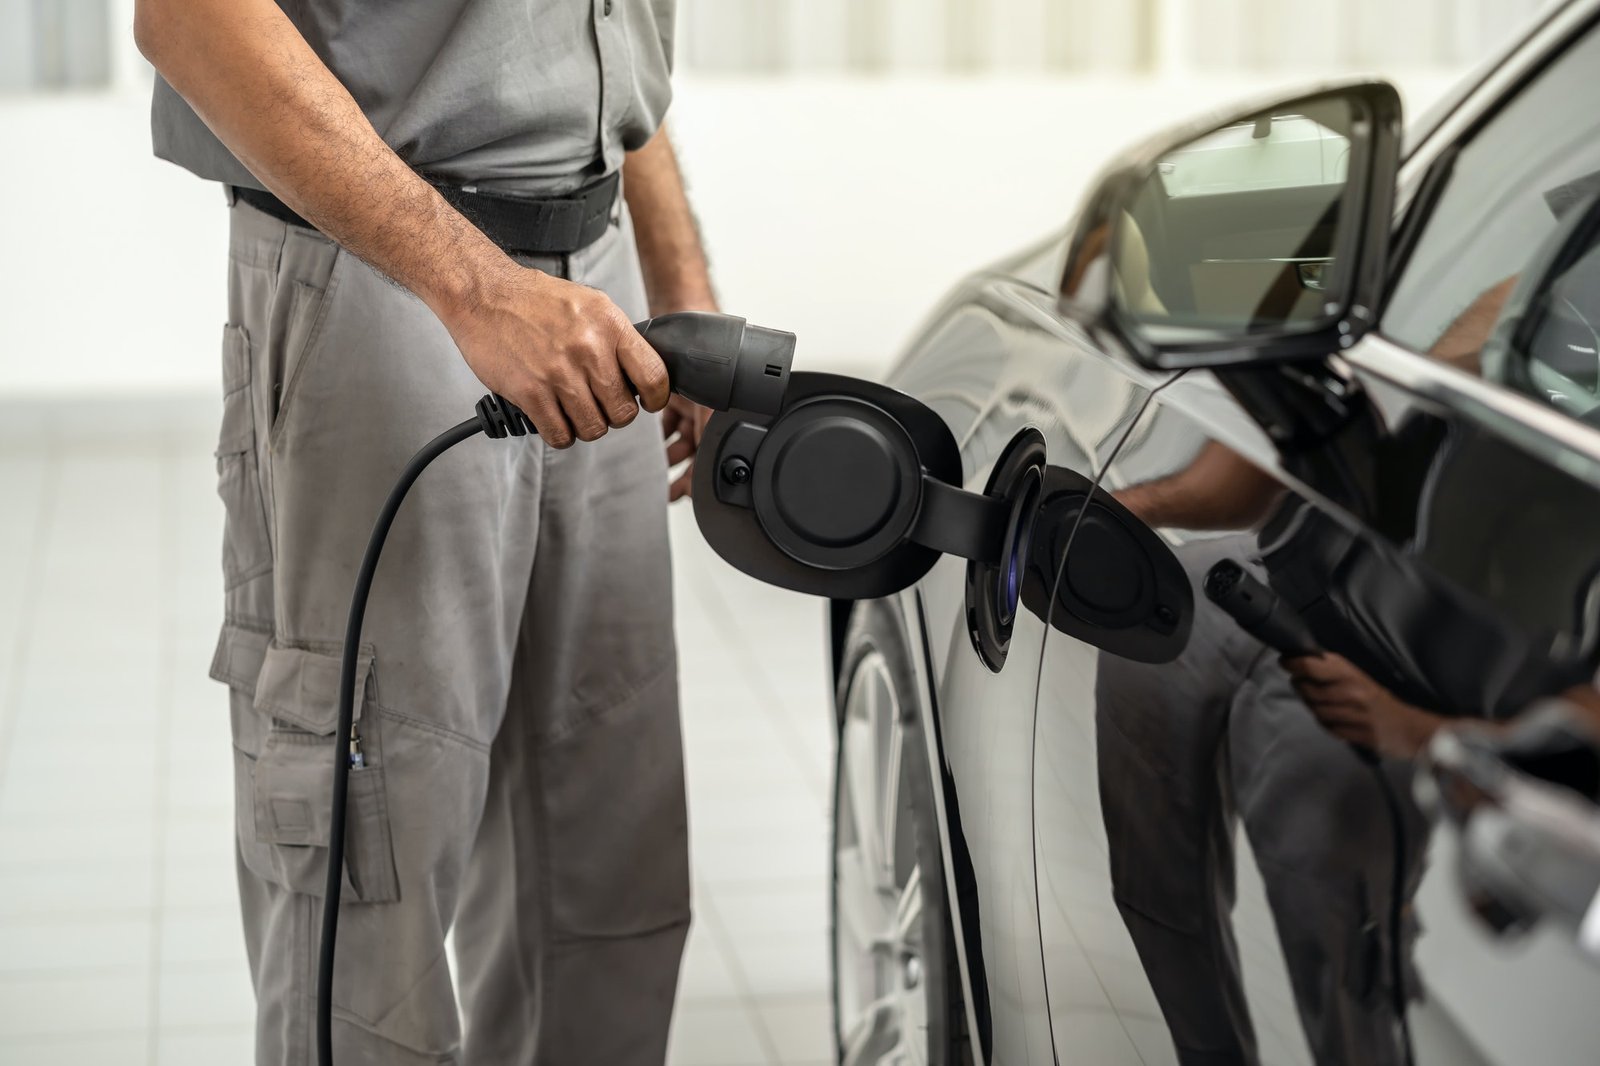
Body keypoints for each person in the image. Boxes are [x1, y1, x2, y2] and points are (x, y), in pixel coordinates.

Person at [133, 1, 710, 1062]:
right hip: (385, 274)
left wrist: (682, 282)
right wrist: (477, 288)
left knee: (601, 870)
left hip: (601, 282)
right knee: (372, 888)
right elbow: (189, 15)